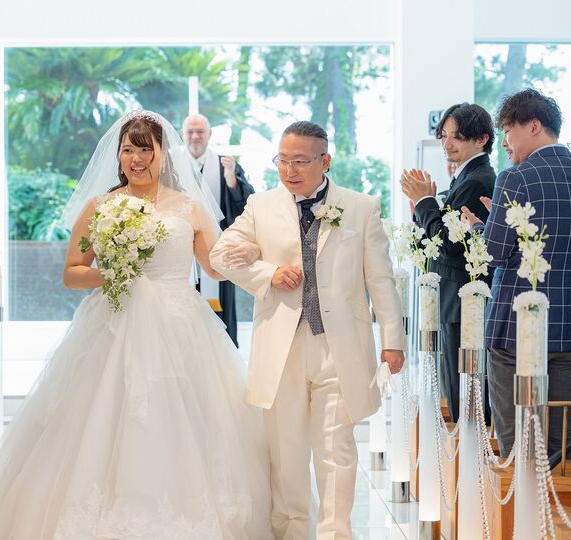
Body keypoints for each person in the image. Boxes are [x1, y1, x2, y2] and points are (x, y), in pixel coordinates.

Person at [0, 111, 273, 539]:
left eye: (146, 149)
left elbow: (214, 267)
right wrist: (113, 274)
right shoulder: (100, 207)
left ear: (163, 153)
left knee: (186, 422)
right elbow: (72, 272)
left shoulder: (189, 207)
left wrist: (250, 255)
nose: (137, 158)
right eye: (128, 149)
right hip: (114, 325)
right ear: (117, 155)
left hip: (181, 328)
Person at [211, 120, 406, 539]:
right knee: (286, 451)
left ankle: (336, 534)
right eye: (283, 160)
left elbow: (381, 279)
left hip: (341, 345)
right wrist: (267, 272)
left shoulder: (361, 207)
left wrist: (393, 340)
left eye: (300, 161)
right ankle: (292, 532)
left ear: (325, 160)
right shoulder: (260, 205)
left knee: (336, 449)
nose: (290, 170)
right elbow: (220, 255)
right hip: (280, 345)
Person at [462, 88, 571, 457]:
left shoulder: (516, 178)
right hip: (567, 332)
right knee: (559, 447)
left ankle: (517, 497)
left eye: (509, 130)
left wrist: (481, 227)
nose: (505, 142)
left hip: (514, 330)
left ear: (534, 126)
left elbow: (493, 253)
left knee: (516, 444)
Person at [400, 103, 496, 422]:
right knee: (456, 388)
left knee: (465, 393)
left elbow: (449, 245)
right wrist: (423, 209)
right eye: (443, 135)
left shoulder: (477, 180)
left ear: (482, 139)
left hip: (463, 298)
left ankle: (470, 450)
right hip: (455, 297)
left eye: (457, 136)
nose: (447, 143)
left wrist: (426, 201)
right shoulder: (465, 177)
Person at [183, 113, 254, 346]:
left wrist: (231, 179)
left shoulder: (226, 164)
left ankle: (221, 352)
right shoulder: (172, 166)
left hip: (216, 248)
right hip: (182, 250)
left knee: (219, 308)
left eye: (200, 131)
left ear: (209, 134)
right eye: (190, 132)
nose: (195, 136)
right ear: (183, 134)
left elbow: (245, 206)